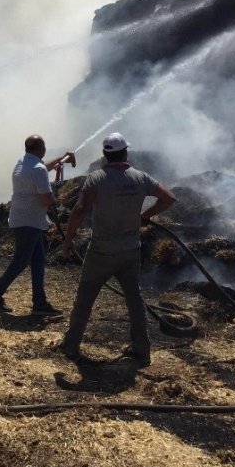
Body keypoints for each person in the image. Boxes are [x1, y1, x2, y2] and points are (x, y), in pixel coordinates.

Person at [56, 132, 176, 365]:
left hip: (101, 250)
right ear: (126, 153)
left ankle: (71, 346)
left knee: (85, 298)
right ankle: (142, 349)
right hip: (131, 249)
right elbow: (169, 198)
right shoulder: (140, 177)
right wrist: (146, 215)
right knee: (134, 298)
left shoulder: (96, 179)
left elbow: (80, 210)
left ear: (104, 154)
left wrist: (68, 239)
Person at [0, 135, 76, 319]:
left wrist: (59, 160)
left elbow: (42, 169)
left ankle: (40, 303)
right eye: (44, 146)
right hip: (30, 222)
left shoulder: (23, 162)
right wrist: (56, 200)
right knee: (21, 261)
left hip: (22, 219)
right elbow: (45, 198)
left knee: (37, 261)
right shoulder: (38, 169)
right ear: (40, 148)